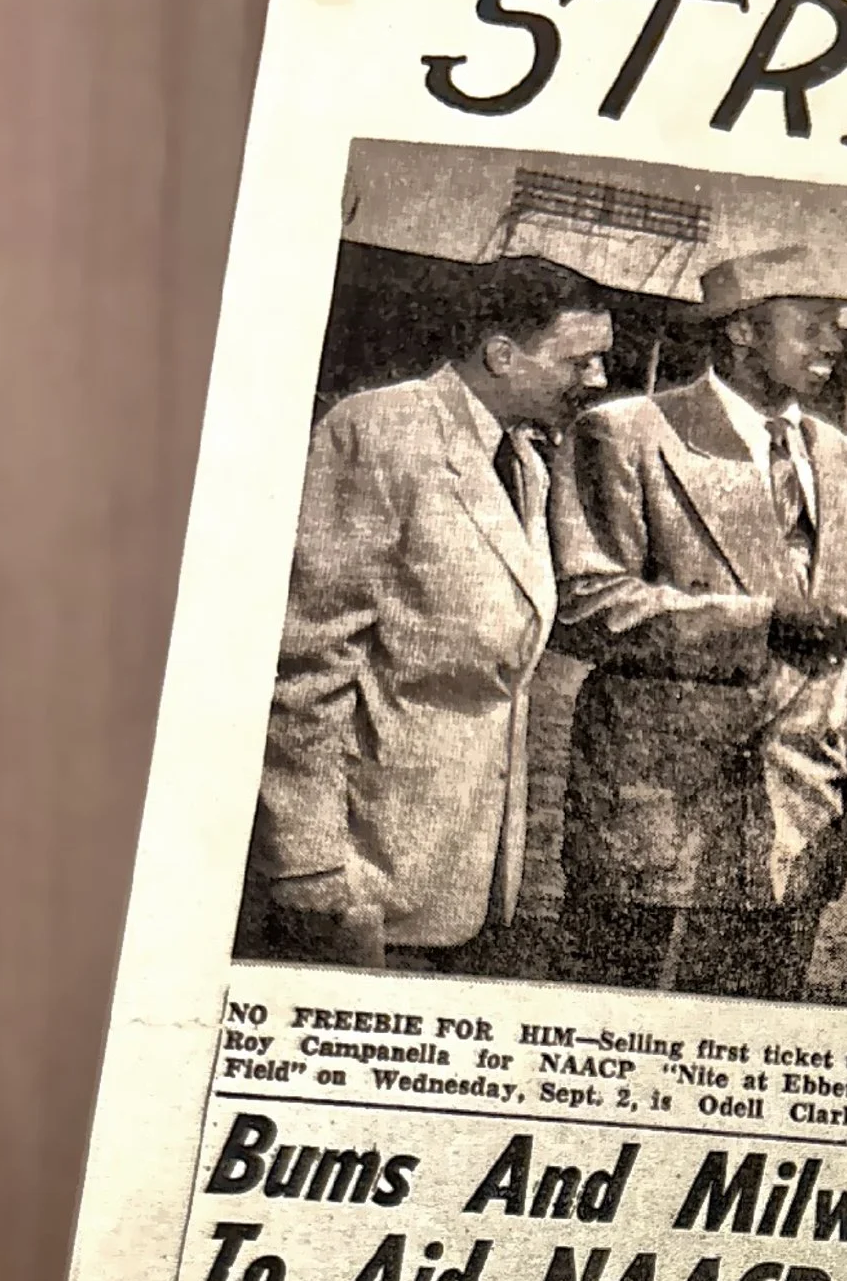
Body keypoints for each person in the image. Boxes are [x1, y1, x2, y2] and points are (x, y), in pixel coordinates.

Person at [245, 257, 611, 969]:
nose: (596, 381)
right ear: (501, 354)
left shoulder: (525, 464)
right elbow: (305, 663)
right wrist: (311, 867)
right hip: (362, 880)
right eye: (580, 360)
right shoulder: (383, 431)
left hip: (462, 885)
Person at [550, 245, 847, 1002]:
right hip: (655, 815)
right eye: (813, 322)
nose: (834, 342)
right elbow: (588, 604)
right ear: (742, 332)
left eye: (841, 324)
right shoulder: (626, 433)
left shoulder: (844, 459)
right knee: (618, 1037)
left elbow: (839, 633)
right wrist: (760, 623)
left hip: (796, 819)